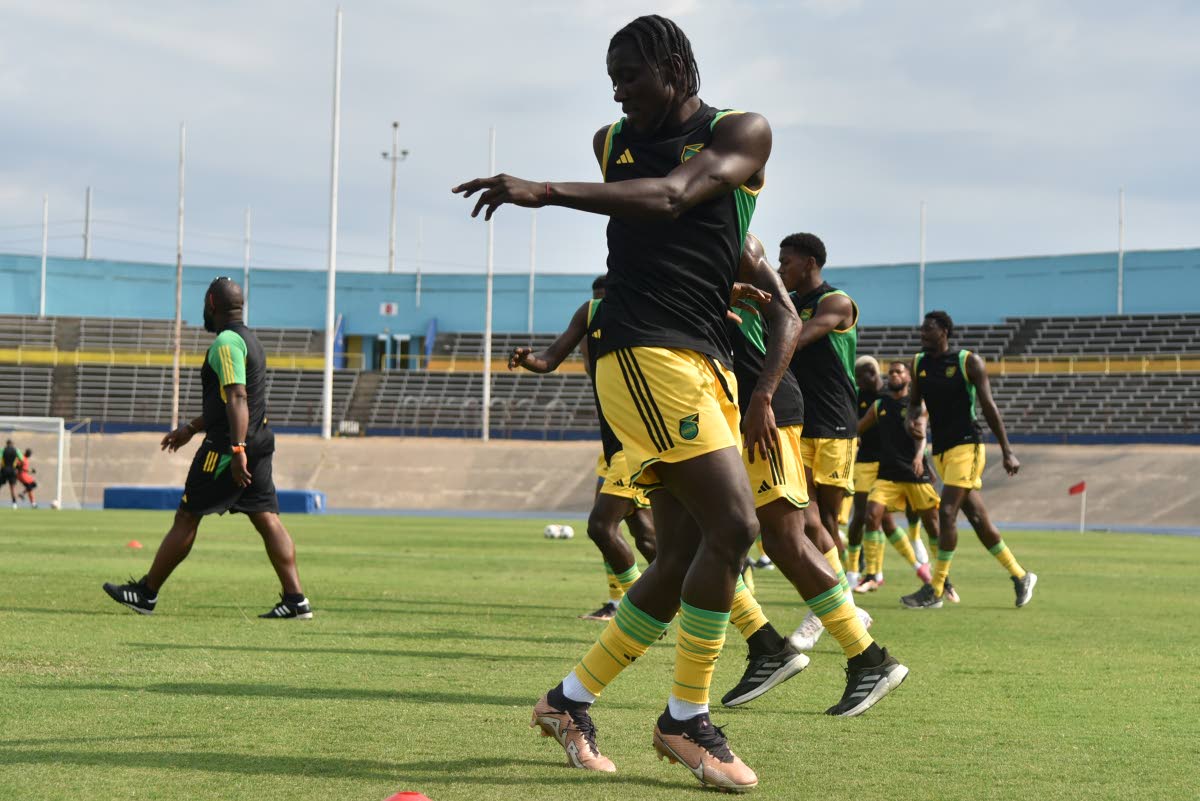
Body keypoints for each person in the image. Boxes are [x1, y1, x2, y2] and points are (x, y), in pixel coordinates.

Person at [455, 15, 768, 789]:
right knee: (735, 525)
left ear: (675, 68)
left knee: (680, 554)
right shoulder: (611, 142)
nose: (618, 93)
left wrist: (546, 190)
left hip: (703, 353)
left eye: (630, 76)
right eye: (612, 78)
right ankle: (686, 718)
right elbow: (655, 202)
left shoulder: (741, 130)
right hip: (643, 349)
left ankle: (569, 700)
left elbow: (676, 197)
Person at [720, 235, 908, 715]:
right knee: (797, 526)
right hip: (777, 414)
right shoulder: (773, 294)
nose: (781, 267)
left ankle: (846, 628)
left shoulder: (833, 301)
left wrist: (745, 303)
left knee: (813, 525)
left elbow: (795, 334)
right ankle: (818, 627)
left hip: (828, 421)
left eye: (787, 261)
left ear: (809, 262)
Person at [102, 277, 312, 619]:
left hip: (229, 448)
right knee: (266, 517)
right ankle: (296, 600)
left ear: (211, 304)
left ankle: (146, 594)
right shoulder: (251, 341)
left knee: (187, 516)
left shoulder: (226, 343)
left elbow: (237, 397)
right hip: (259, 439)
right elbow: (229, 402)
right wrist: (191, 428)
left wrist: (237, 449)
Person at [509, 274, 657, 622]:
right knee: (643, 534)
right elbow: (549, 359)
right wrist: (529, 360)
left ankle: (642, 606)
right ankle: (650, 600)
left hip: (640, 442)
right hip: (613, 447)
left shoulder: (644, 312)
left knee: (603, 526)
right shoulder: (591, 313)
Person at [902, 311, 1037, 609]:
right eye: (921, 328)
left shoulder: (967, 362)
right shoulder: (919, 363)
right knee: (977, 519)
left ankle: (936, 589)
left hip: (968, 446)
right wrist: (911, 423)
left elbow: (988, 406)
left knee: (947, 512)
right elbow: (913, 405)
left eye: (928, 328)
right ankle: (1020, 575)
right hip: (941, 450)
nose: (922, 333)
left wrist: (1007, 450)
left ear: (944, 331)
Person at [846, 357, 930, 591]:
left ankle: (911, 564)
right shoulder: (858, 396)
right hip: (865, 463)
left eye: (865, 375)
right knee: (863, 516)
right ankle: (855, 572)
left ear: (874, 373)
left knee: (885, 521)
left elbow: (918, 434)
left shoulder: (890, 397)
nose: (861, 380)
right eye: (858, 375)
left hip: (887, 466)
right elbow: (854, 426)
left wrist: (923, 461)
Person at [1, 440, 21, 509]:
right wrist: (17, 467)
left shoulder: (3, 450)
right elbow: (21, 459)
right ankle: (14, 504)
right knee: (12, 488)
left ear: (6, 444)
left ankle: (14, 504)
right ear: (12, 444)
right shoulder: (16, 450)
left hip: (4, 470)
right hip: (12, 470)